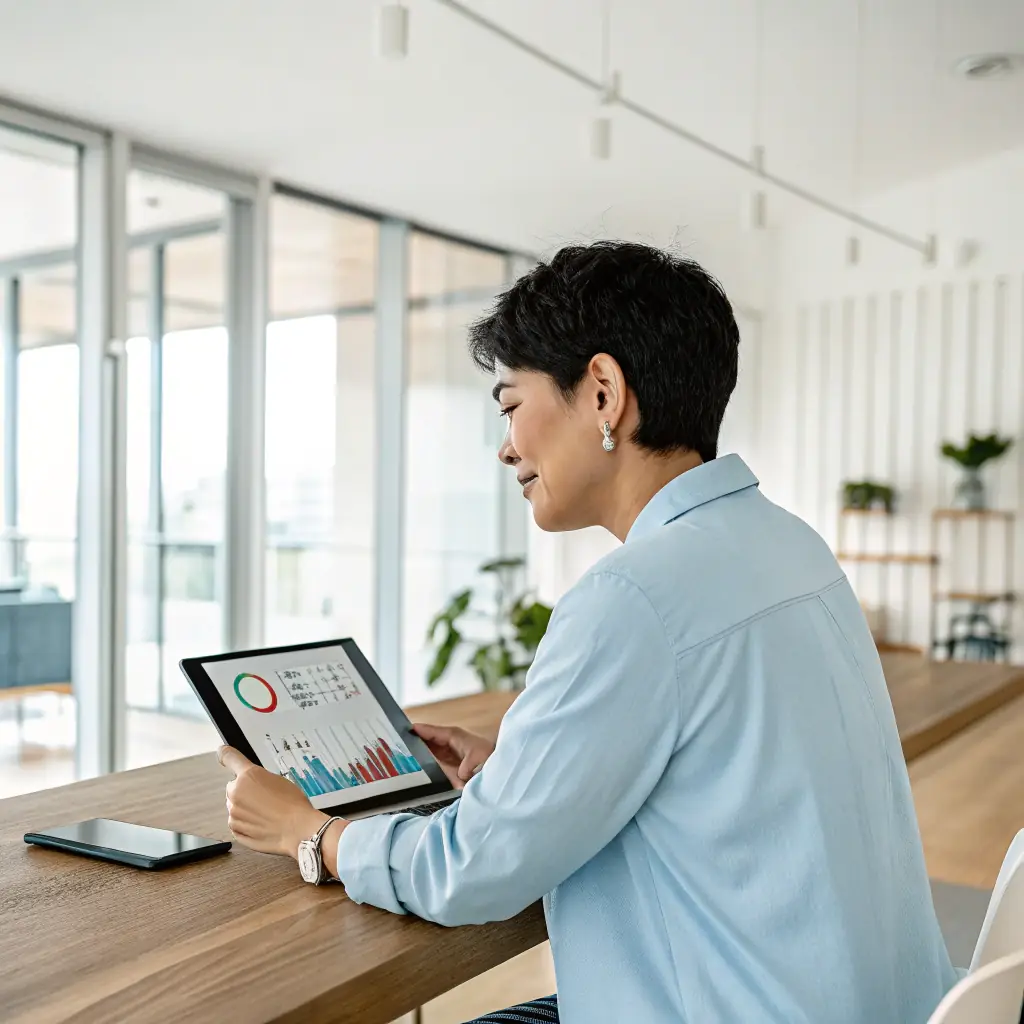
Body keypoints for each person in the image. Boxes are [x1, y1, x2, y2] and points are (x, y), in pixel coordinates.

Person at [219, 242, 958, 1022]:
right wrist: (528, 770)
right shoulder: (789, 544)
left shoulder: (631, 597)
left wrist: (313, 834)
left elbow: (472, 870)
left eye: (510, 406)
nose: (506, 446)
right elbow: (728, 770)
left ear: (603, 393)